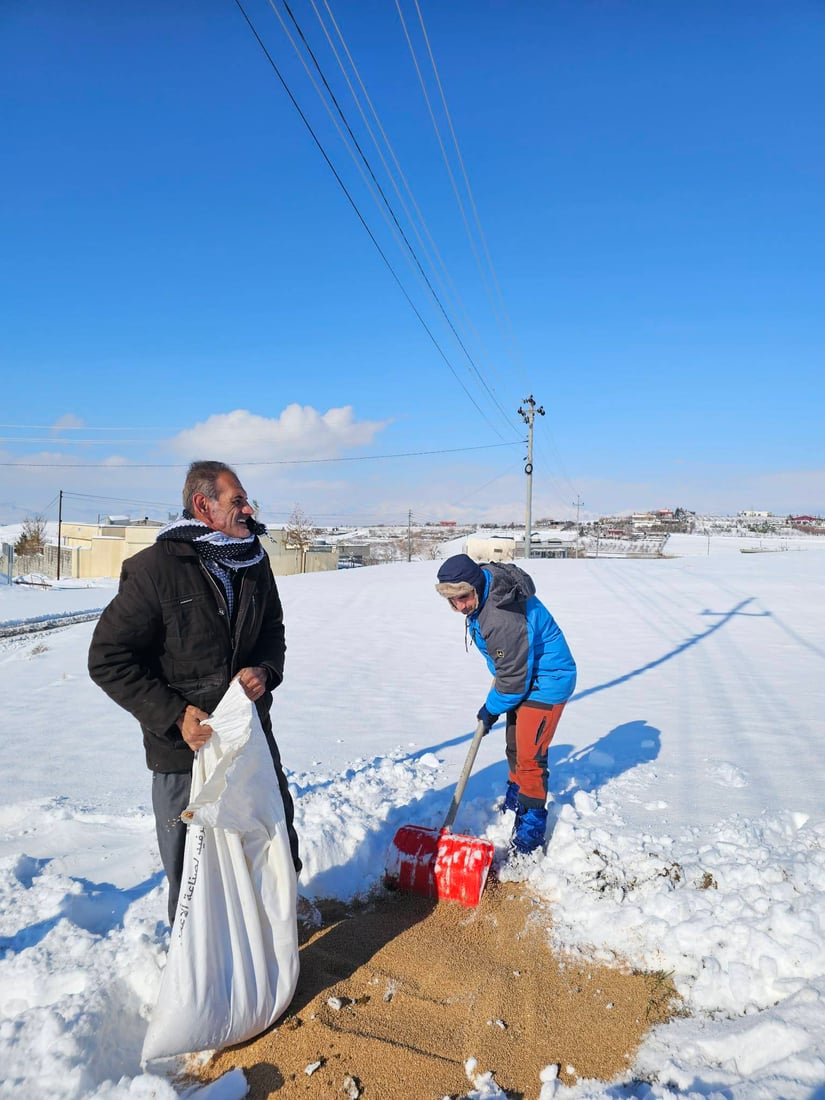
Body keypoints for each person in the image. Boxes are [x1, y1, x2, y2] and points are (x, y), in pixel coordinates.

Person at [88, 460, 300, 925]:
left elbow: (272, 631)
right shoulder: (153, 570)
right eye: (237, 500)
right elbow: (107, 658)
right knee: (194, 874)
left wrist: (264, 669)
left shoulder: (254, 561)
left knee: (268, 844)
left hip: (248, 740)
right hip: (184, 751)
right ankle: (200, 978)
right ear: (203, 506)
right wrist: (175, 714)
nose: (248, 508)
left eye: (246, 499)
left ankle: (268, 952)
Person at [435, 553, 576, 855]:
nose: (460, 606)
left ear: (474, 586)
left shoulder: (501, 619)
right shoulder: (483, 583)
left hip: (546, 680)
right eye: (452, 601)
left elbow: (513, 681)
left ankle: (529, 833)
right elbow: (510, 672)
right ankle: (516, 801)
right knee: (514, 746)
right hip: (522, 674)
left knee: (530, 758)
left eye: (463, 597)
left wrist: (490, 709)